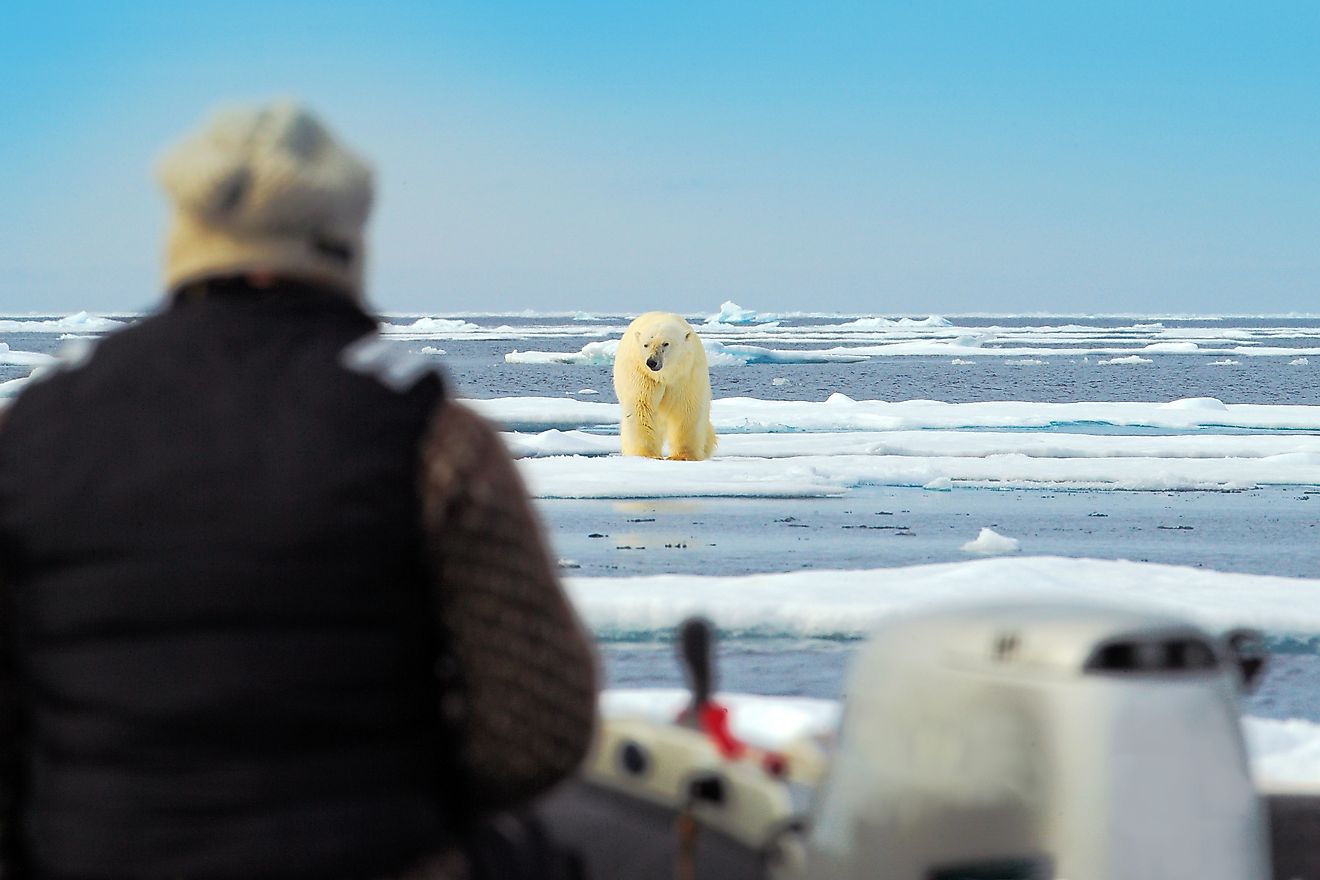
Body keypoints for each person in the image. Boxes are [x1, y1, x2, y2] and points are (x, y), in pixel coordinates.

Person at [0, 101, 597, 879]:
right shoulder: (430, 436)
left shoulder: (33, 432)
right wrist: (409, 794)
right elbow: (536, 729)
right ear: (339, 242)